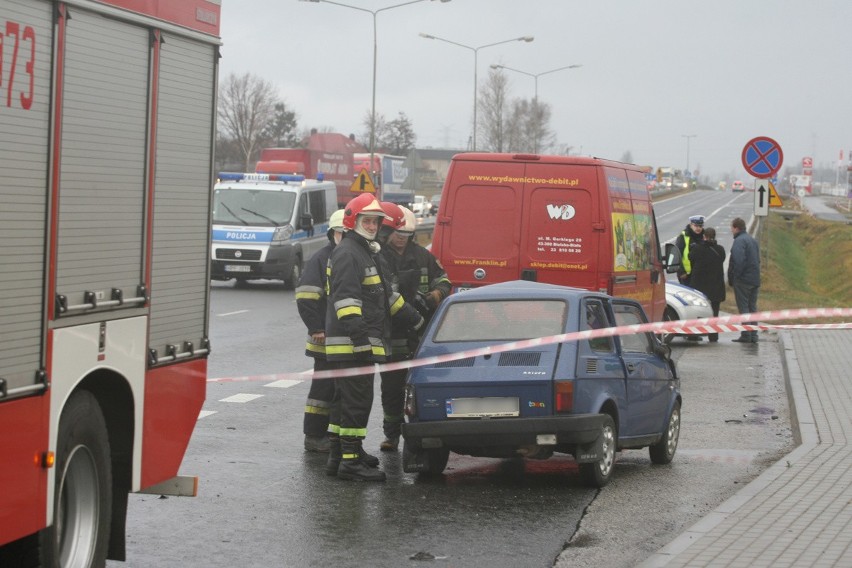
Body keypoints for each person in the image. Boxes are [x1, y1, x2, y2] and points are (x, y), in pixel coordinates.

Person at [324, 194, 424, 481]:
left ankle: (339, 456)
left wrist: (416, 320)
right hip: (354, 344)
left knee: (345, 401)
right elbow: (347, 302)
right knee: (357, 402)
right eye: (366, 220)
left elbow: (383, 298)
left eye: (375, 221)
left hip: (357, 343)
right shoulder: (349, 254)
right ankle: (350, 462)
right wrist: (361, 341)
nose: (371, 225)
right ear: (353, 221)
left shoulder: (366, 252)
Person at [378, 205, 451, 452]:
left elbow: (444, 280)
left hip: (421, 336)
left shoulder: (423, 256)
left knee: (421, 385)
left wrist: (434, 296)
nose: (401, 239)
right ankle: (392, 435)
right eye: (398, 233)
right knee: (391, 389)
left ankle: (419, 431)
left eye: (406, 234)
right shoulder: (379, 257)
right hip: (392, 335)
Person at [295, 209, 344, 452]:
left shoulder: (350, 257)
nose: (344, 237)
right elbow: (305, 297)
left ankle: (331, 434)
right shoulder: (321, 259)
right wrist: (317, 328)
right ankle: (313, 435)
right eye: (340, 232)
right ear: (331, 233)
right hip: (324, 339)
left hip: (345, 339)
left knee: (340, 389)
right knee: (322, 390)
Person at [688, 227, 726, 342]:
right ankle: (713, 335)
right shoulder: (720, 249)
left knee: (697, 311)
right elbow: (722, 259)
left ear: (704, 236)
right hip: (715, 285)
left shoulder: (697, 249)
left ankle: (694, 334)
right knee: (714, 312)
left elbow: (691, 258)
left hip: (699, 286)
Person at [728, 217, 761, 343]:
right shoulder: (752, 240)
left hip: (743, 280)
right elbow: (757, 260)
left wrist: (736, 276)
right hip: (754, 279)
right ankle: (754, 334)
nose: (731, 230)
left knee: (744, 308)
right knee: (752, 307)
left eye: (732, 228)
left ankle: (746, 334)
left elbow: (739, 261)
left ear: (736, 228)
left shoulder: (739, 241)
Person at [674, 214, 705, 286]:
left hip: (701, 274)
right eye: (696, 226)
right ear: (691, 225)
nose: (698, 228)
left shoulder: (704, 236)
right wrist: (681, 272)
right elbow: (677, 255)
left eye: (700, 226)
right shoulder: (683, 237)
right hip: (687, 275)